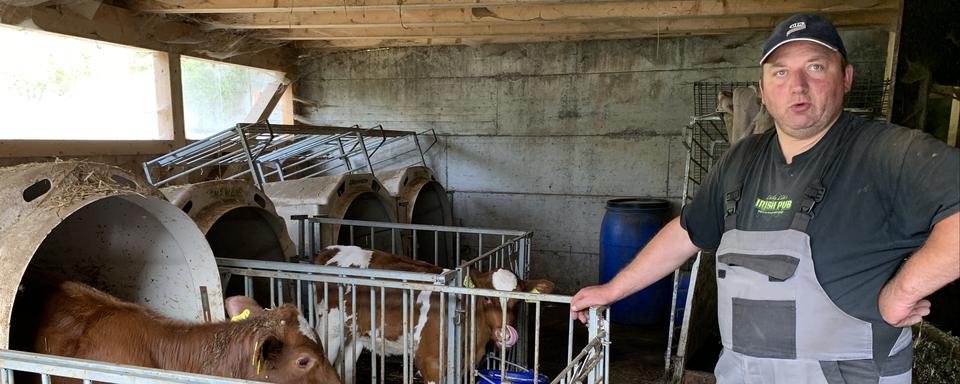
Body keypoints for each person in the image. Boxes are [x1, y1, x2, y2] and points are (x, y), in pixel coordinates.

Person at [571, 13, 959, 384]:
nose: (797, 85)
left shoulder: (888, 153)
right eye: (780, 71)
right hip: (743, 373)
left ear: (847, 78)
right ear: (762, 90)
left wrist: (902, 291)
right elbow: (687, 232)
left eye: (816, 67)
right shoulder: (741, 159)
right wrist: (613, 290)